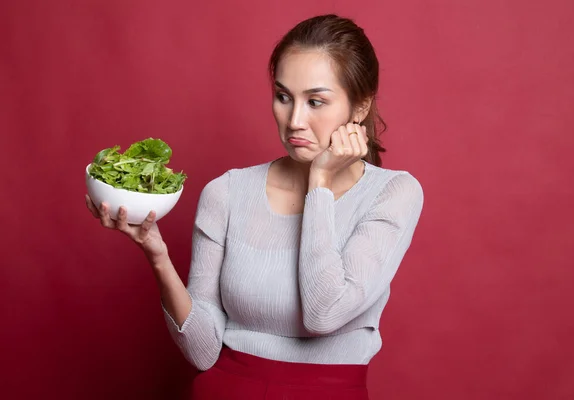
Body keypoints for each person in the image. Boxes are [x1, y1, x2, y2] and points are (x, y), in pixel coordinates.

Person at [85, 14, 424, 400]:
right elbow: (202, 351)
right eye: (283, 97)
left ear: (359, 108)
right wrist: (157, 254)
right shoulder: (227, 192)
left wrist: (320, 182)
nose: (295, 120)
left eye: (316, 101)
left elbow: (322, 314)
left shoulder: (393, 193)